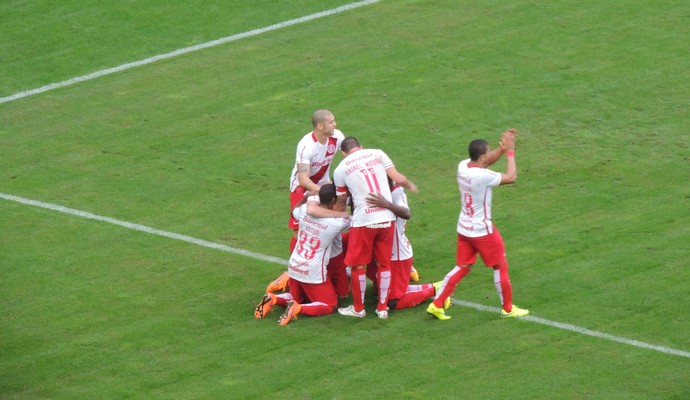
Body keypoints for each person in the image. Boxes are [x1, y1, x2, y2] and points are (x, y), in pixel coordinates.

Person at [427, 129, 529, 320]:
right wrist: (510, 152)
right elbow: (511, 177)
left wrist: (500, 148)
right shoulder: (482, 177)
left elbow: (486, 161)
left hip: (464, 227)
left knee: (462, 266)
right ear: (481, 156)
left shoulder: (462, 166)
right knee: (500, 265)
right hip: (482, 230)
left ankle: (437, 304)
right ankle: (508, 308)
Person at [332, 136, 418, 319]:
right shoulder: (377, 153)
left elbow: (340, 202)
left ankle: (358, 308)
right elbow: (397, 177)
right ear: (361, 147)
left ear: (343, 153)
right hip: (386, 219)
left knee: (358, 266)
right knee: (383, 264)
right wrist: (409, 184)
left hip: (364, 221)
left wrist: (334, 211)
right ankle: (382, 309)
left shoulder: (341, 168)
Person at [266, 109, 345, 294]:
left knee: (328, 228)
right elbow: (303, 179)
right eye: (332, 122)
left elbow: (348, 155)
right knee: (299, 231)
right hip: (302, 189)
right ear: (320, 126)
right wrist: (322, 192)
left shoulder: (337, 137)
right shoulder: (306, 145)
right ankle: (294, 272)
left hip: (323, 185)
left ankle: (326, 270)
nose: (335, 124)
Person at [255, 184, 350, 325]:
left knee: (296, 296)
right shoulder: (336, 223)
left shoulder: (305, 211)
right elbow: (356, 222)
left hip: (294, 264)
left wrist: (306, 197)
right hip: (313, 271)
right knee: (330, 305)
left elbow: (293, 211)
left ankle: (273, 298)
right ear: (332, 201)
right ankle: (298, 309)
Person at [365, 179, 447, 311]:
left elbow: (406, 213)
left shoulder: (396, 193)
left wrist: (386, 204)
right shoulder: (379, 190)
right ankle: (407, 276)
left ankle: (436, 289)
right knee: (372, 276)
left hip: (397, 256)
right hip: (384, 251)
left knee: (391, 302)